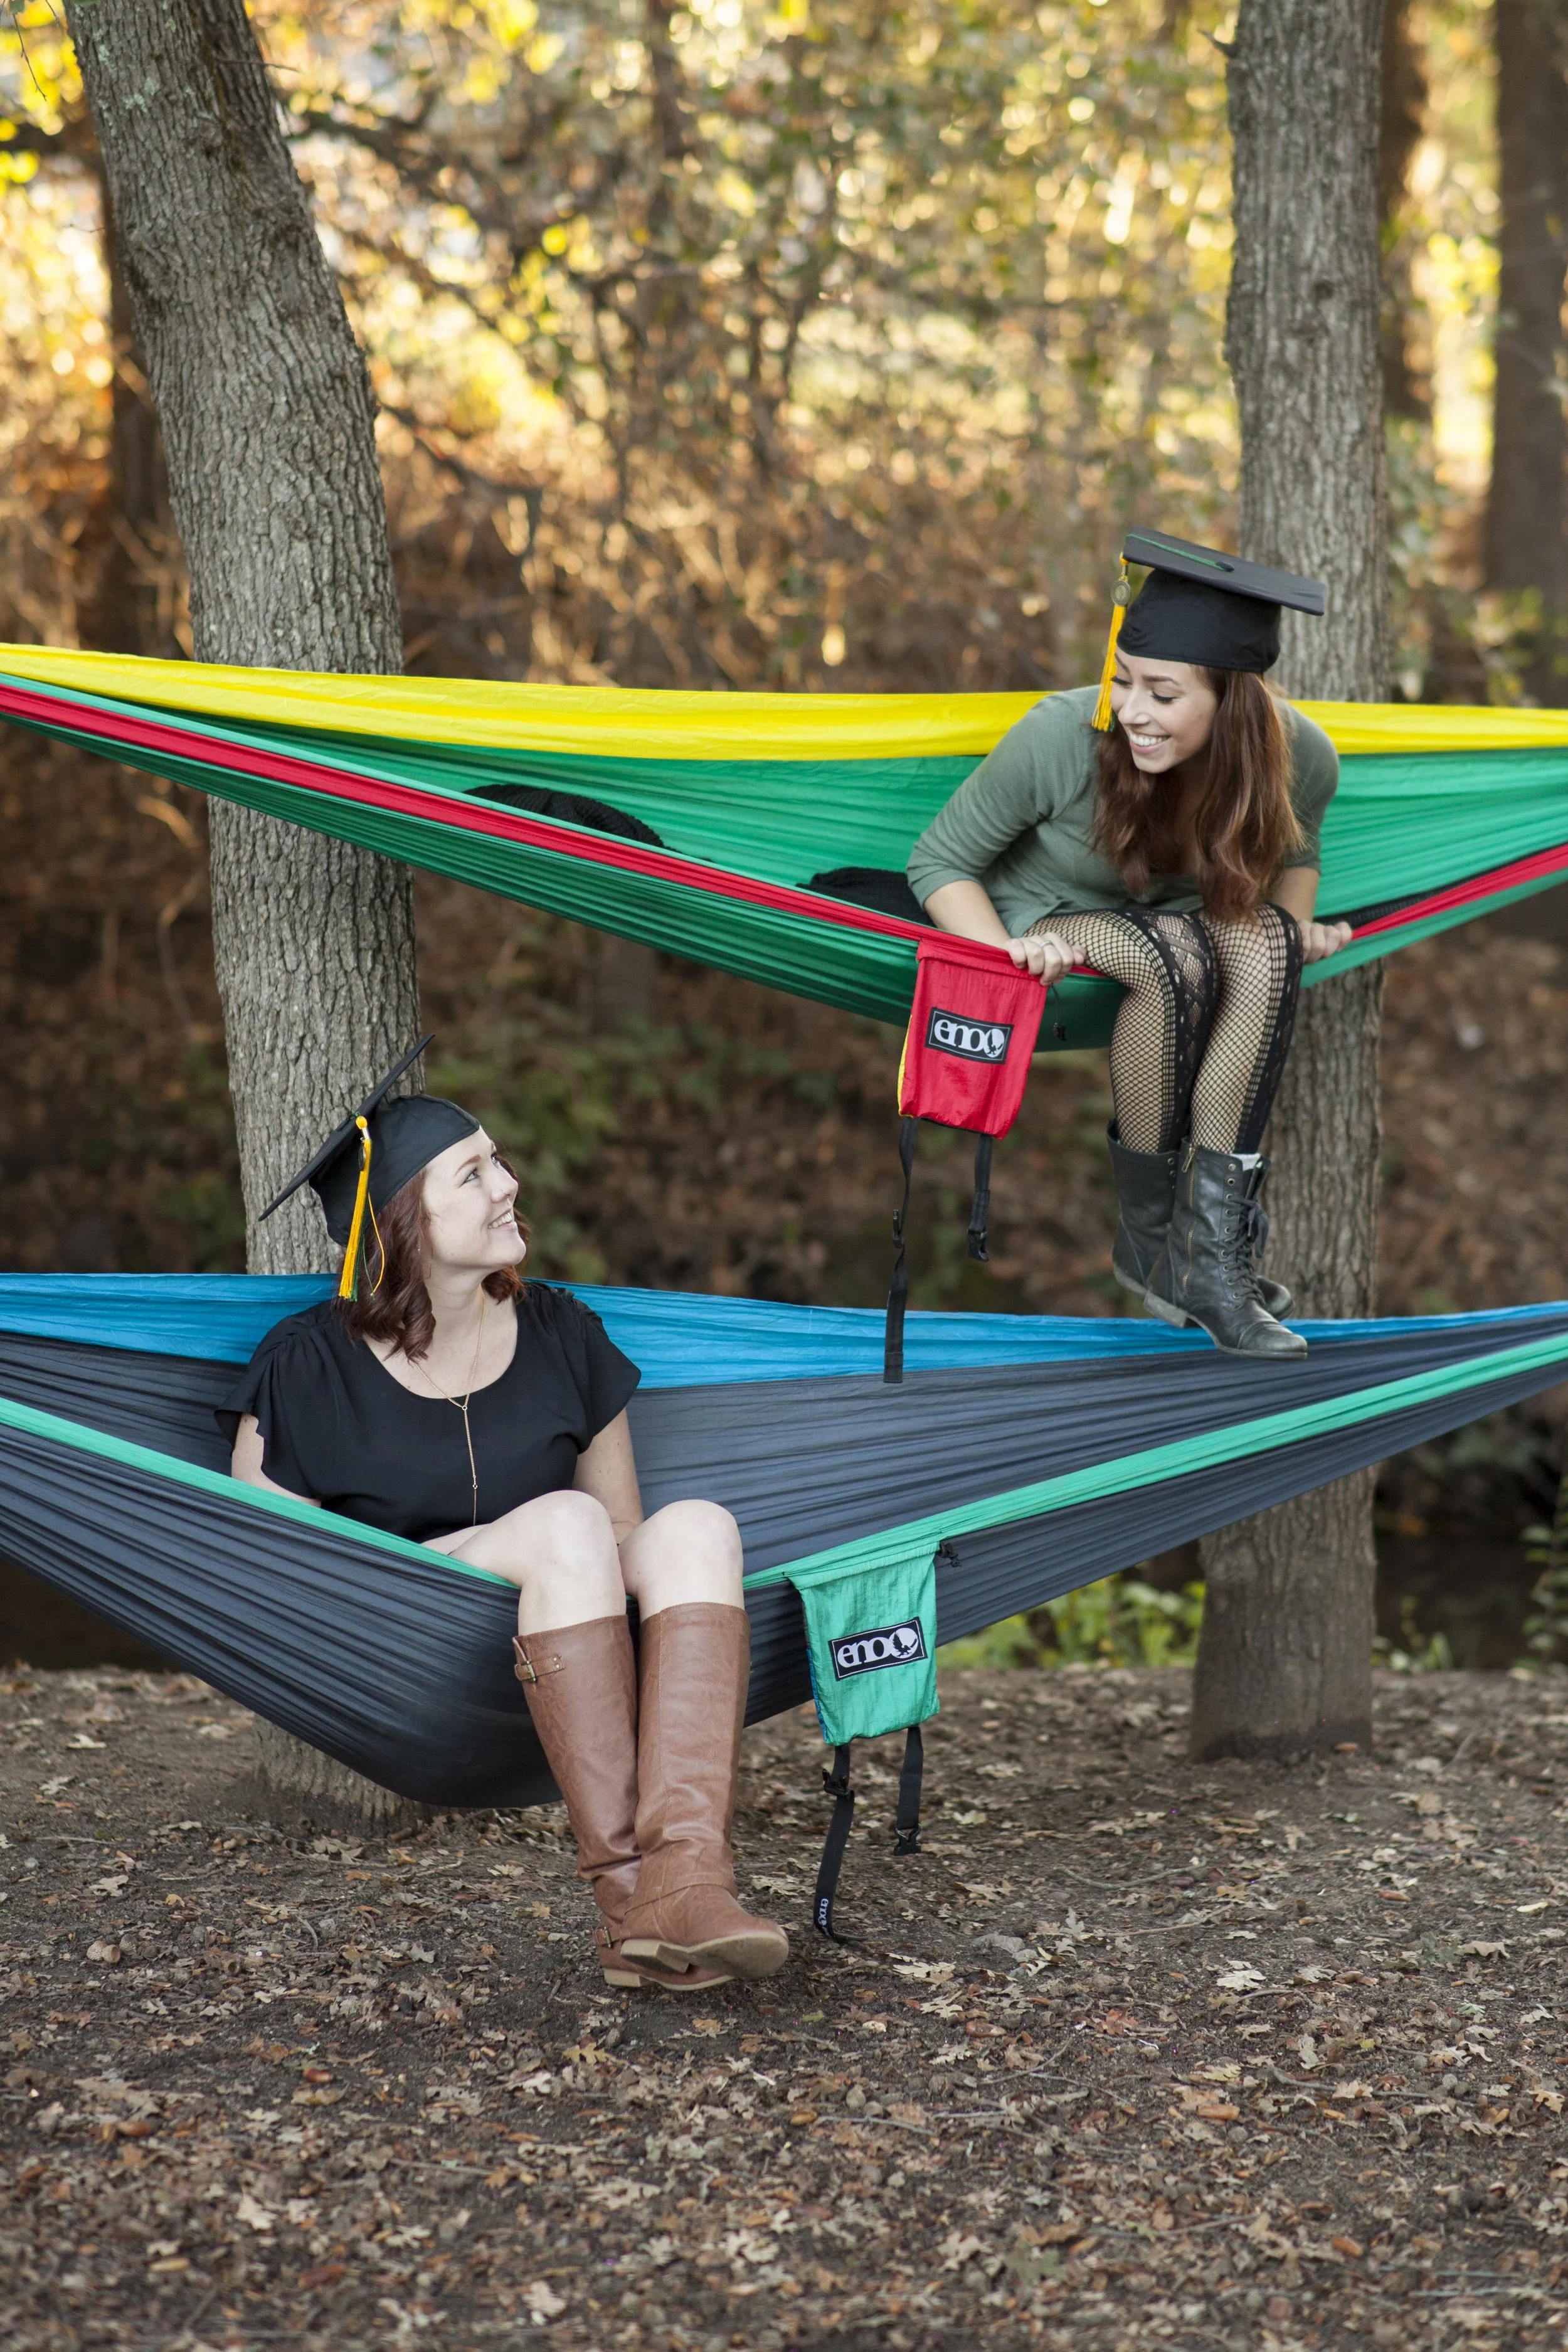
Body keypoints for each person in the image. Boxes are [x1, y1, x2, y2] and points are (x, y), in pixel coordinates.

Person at [217, 1039, 787, 1993]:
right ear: (403, 1217)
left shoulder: (563, 1332)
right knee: (561, 1520)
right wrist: (476, 1556)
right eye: (472, 1173)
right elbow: (272, 1574)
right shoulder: (307, 1367)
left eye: (500, 1160)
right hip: (401, 1646)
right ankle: (630, 1900)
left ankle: (686, 1879)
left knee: (699, 1528)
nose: (508, 1184)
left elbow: (617, 1531)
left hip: (569, 1620)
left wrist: (563, 1548)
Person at [906, 529, 1353, 1360]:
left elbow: (1296, 866)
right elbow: (939, 861)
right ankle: (1153, 1238)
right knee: (1172, 954)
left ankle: (1210, 1260)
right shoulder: (1062, 736)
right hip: (1047, 921)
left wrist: (1298, 933)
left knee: (1260, 950)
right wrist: (1003, 953)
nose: (1133, 710)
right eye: (1124, 682)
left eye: (1162, 692)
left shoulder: (1302, 759)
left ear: (1233, 701)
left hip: (1188, 931)